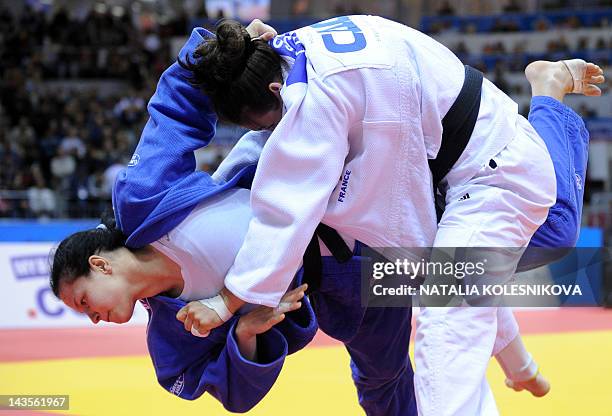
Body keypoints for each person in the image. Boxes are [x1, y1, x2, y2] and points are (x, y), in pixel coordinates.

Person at [169, 16, 604, 415]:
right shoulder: (288, 50)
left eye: (266, 123)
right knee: (464, 273)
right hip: (460, 153)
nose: (272, 133)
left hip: (491, 168)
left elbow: (284, 211)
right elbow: (265, 164)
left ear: (274, 91)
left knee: (453, 308)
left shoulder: (311, 102)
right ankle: (521, 367)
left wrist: (228, 301)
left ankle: (548, 94)